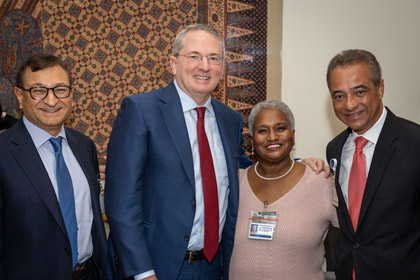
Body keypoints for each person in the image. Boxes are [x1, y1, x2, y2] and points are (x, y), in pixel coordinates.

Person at [105, 24, 327, 280]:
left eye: (213, 58)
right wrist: (143, 273)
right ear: (173, 63)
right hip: (155, 267)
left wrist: (297, 166)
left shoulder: (229, 119)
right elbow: (122, 202)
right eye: (194, 56)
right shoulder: (141, 111)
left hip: (213, 266)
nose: (204, 66)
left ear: (222, 67)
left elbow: (247, 171)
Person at [0, 54, 107, 280]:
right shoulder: (3, 152)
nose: (51, 101)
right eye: (38, 90)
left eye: (60, 89)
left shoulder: (84, 147)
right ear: (19, 96)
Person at [326, 49, 420, 279]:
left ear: (380, 89)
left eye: (359, 92)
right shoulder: (335, 149)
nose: (349, 105)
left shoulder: (414, 143)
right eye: (339, 96)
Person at [229, 100, 338, 280]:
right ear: (251, 139)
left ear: (293, 135)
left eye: (280, 128)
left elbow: (360, 236)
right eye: (262, 130)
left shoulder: (321, 182)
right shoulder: (234, 183)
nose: (272, 137)